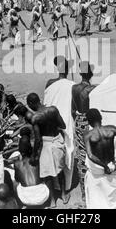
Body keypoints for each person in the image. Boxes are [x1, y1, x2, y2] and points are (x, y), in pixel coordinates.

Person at [84, 109, 116, 209]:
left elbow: (90, 155)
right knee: (110, 195)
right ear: (101, 118)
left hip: (98, 169)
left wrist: (104, 166)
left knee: (97, 196)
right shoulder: (111, 129)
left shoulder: (88, 135)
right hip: (112, 167)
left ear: (89, 121)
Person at [27, 93, 67, 208]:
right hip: (57, 141)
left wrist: (34, 155)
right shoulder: (53, 110)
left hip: (46, 144)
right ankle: (64, 195)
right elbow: (63, 125)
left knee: (47, 174)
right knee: (60, 169)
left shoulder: (35, 118)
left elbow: (38, 139)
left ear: (30, 104)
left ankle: (52, 201)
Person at [44, 56, 75, 201]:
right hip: (67, 124)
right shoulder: (73, 85)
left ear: (57, 68)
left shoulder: (50, 84)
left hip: (51, 126)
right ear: (68, 69)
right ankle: (65, 189)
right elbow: (75, 109)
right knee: (68, 152)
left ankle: (56, 191)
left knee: (52, 157)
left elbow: (46, 105)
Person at [71, 61, 97, 203]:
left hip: (78, 121)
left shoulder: (74, 87)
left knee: (81, 157)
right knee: (92, 155)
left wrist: (78, 120)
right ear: (91, 74)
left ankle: (83, 194)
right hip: (89, 121)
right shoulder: (92, 88)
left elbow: (72, 110)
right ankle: (92, 190)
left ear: (81, 74)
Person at [14, 136, 50, 208]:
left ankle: (20, 205)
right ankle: (51, 202)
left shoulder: (17, 163)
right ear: (30, 148)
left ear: (19, 150)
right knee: (47, 176)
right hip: (42, 198)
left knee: (15, 183)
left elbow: (17, 179)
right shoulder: (37, 160)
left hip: (26, 200)